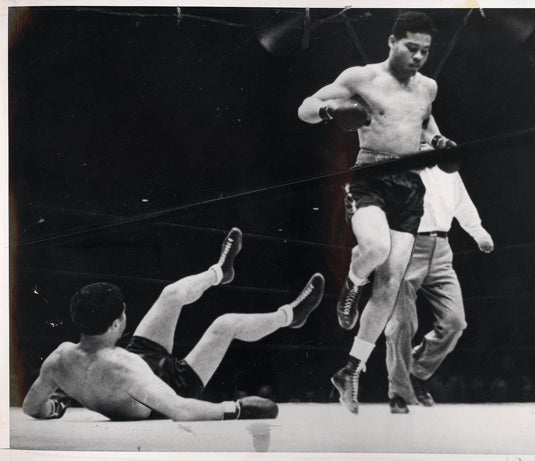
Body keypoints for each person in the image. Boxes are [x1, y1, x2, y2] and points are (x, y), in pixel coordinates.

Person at [298, 11, 456, 413]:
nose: (419, 56)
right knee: (373, 247)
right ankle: (351, 283)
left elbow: (423, 120)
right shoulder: (361, 77)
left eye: (425, 50)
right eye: (411, 47)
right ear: (391, 41)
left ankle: (351, 368)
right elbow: (306, 107)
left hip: (410, 185)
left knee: (388, 284)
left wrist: (436, 139)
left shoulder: (428, 87)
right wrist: (332, 113)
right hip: (371, 175)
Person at [22, 228, 325, 421]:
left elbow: (30, 407)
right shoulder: (124, 370)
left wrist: (53, 409)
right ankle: (290, 316)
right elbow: (179, 409)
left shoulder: (59, 358)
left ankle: (219, 271)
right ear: (116, 324)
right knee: (226, 324)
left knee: (171, 294)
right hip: (168, 388)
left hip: (139, 360)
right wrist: (238, 410)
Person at [384, 163, 494, 413]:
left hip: (442, 248)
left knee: (454, 322)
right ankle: (399, 392)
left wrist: (479, 233)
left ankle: (417, 372)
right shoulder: (397, 164)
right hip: (406, 244)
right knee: (401, 323)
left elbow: (462, 203)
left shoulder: (448, 169)